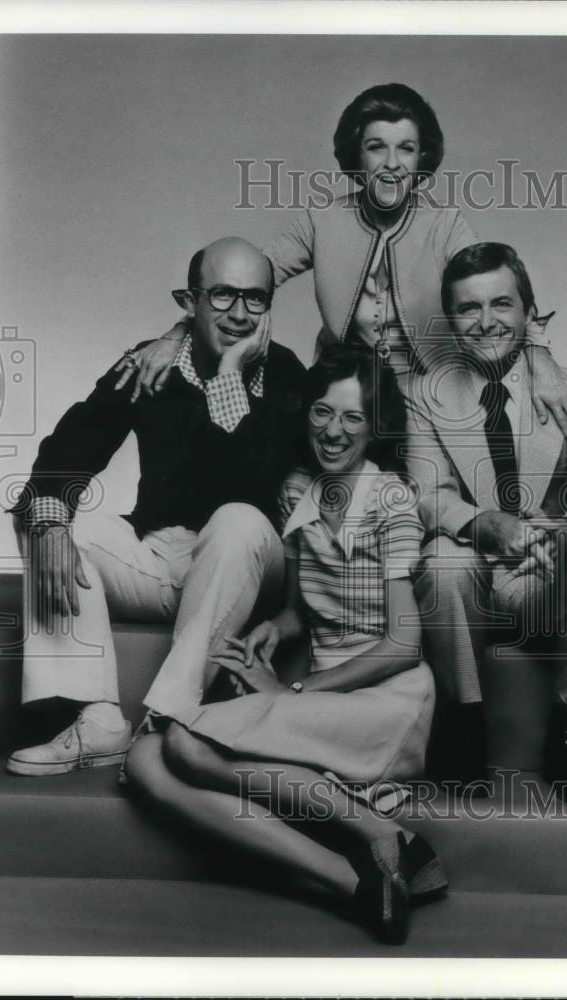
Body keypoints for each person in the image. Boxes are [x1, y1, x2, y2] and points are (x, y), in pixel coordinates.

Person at [124, 344, 443, 945]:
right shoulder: (298, 489)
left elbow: (403, 645)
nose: (334, 430)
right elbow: (301, 612)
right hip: (321, 701)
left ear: (375, 427)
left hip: (386, 700)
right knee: (145, 762)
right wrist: (276, 631)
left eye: (353, 417)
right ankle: (353, 883)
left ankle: (379, 833)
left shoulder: (393, 500)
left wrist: (292, 691)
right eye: (323, 412)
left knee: (188, 748)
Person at [117, 83, 567, 440]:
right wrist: (174, 335)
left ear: (421, 157)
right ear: (356, 156)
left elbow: (498, 289)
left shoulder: (446, 223)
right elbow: (237, 285)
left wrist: (542, 361)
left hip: (431, 393)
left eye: (405, 148)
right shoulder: (321, 220)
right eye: (376, 147)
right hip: (344, 390)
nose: (391, 163)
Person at [6, 238, 307, 776]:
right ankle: (99, 721)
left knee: (237, 518)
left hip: (243, 568)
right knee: (45, 513)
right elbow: (70, 447)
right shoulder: (150, 363)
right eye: (222, 296)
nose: (239, 313)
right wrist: (51, 523)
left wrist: (231, 373)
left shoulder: (285, 373)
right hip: (159, 560)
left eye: (255, 299)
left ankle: (166, 720)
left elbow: (248, 479)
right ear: (190, 302)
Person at [407, 242, 567, 804]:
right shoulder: (423, 396)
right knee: (440, 557)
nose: (487, 322)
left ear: (529, 313)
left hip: (548, 575)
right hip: (475, 585)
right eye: (469, 308)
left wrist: (566, 536)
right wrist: (489, 524)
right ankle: (464, 730)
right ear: (452, 320)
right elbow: (429, 496)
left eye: (502, 304)